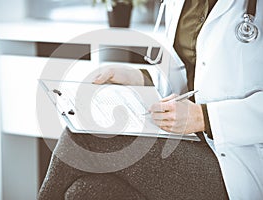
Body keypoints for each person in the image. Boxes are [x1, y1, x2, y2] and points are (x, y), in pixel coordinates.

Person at [38, 0, 263, 199]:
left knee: (89, 135)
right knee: (85, 193)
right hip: (186, 142)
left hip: (239, 164)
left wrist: (204, 117)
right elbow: (188, 73)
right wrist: (138, 77)